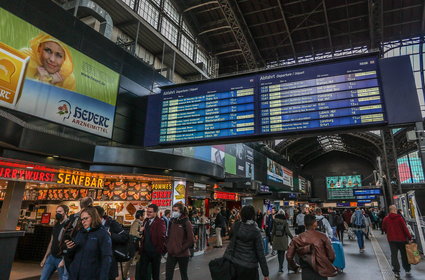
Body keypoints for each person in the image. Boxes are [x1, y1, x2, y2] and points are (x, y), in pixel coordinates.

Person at [65, 207, 112, 280]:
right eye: (82, 219)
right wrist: (70, 249)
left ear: (93, 217)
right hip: (74, 275)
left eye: (86, 218)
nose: (83, 221)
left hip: (91, 276)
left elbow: (106, 259)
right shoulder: (80, 233)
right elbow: (72, 256)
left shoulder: (103, 234)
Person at [224, 205, 269, 280]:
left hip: (235, 264)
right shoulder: (256, 231)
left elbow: (231, 239)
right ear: (253, 215)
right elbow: (260, 253)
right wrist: (265, 273)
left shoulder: (236, 226)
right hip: (250, 267)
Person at [287, 214, 337, 280]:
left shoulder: (297, 238)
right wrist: (325, 263)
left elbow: (289, 256)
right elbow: (332, 256)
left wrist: (295, 267)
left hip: (306, 270)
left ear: (304, 224)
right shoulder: (323, 236)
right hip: (321, 270)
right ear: (315, 223)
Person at [95, 206, 129, 280]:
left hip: (110, 261)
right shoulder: (92, 226)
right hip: (96, 263)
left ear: (98, 215)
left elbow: (125, 237)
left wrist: (111, 235)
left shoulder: (112, 223)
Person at [62, 197, 93, 270]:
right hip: (79, 251)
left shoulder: (72, 217)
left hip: (68, 248)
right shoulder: (88, 218)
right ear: (90, 205)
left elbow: (63, 232)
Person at [166, 203, 195, 280]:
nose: (174, 212)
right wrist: (168, 246)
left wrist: (180, 249)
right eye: (173, 210)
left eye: (176, 210)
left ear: (181, 211)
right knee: (168, 276)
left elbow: (191, 240)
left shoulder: (186, 222)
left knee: (183, 275)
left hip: (183, 254)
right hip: (171, 253)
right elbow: (168, 235)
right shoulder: (172, 221)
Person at [382, 205, 413, 279]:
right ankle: (407, 269)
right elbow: (405, 229)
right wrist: (409, 237)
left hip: (392, 240)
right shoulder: (399, 218)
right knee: (404, 255)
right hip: (402, 240)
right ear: (395, 210)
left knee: (394, 255)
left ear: (390, 210)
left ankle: (396, 272)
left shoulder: (386, 219)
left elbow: (383, 228)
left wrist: (389, 232)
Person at [40, 205, 70, 280]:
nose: (57, 213)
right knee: (43, 278)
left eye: (60, 212)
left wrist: (64, 260)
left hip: (61, 258)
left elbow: (69, 244)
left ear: (66, 212)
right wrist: (45, 258)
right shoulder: (56, 225)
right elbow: (51, 241)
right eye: (56, 212)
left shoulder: (69, 225)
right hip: (51, 257)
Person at [137, 204, 166, 280]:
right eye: (147, 211)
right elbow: (143, 234)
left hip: (155, 252)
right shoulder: (146, 221)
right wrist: (140, 232)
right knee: (142, 272)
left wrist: (159, 250)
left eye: (150, 212)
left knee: (155, 273)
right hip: (145, 251)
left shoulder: (160, 222)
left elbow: (162, 237)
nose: (148, 213)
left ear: (156, 212)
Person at [124, 209, 144, 280]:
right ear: (140, 216)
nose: (144, 216)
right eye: (143, 215)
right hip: (133, 245)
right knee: (129, 261)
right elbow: (134, 233)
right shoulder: (136, 223)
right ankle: (124, 276)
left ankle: (137, 276)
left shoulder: (138, 223)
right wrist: (141, 235)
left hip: (135, 245)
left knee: (137, 260)